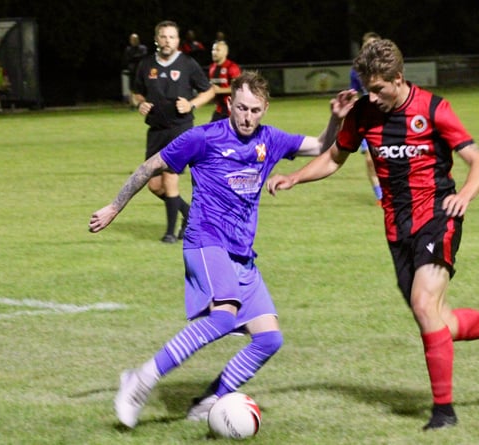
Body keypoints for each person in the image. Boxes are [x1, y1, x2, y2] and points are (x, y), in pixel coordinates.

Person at [266, 39, 479, 431]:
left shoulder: (433, 109)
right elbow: (332, 158)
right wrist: (294, 177)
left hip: (438, 215)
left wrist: (463, 195)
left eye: (378, 88)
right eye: (368, 88)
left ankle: (443, 413)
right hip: (398, 229)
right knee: (437, 320)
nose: (372, 96)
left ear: (399, 79)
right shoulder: (362, 113)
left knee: (424, 304)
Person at [88, 70, 357, 429]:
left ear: (265, 109)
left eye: (255, 110)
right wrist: (114, 207)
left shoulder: (271, 140)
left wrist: (335, 119)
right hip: (205, 240)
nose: (247, 117)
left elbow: (322, 145)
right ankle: (140, 380)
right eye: (241, 108)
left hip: (242, 253)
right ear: (229, 104)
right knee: (223, 316)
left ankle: (210, 400)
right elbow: (151, 166)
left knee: (269, 339)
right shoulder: (203, 138)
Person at [132, 20, 215, 243]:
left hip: (180, 129)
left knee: (170, 179)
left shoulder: (188, 64)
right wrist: (140, 103)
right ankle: (189, 214)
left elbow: (209, 91)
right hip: (156, 131)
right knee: (153, 184)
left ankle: (171, 233)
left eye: (172, 37)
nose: (167, 41)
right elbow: (136, 93)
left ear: (178, 41)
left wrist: (191, 105)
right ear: (157, 39)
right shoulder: (146, 64)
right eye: (163, 37)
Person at [350, 32, 383, 205]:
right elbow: (354, 93)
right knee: (370, 159)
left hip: (384, 116)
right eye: (368, 46)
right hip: (365, 118)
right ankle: (380, 196)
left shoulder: (387, 69)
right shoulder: (356, 71)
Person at [208, 40, 242, 121]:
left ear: (225, 52)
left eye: (217, 50)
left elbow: (238, 88)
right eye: (213, 50)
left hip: (232, 111)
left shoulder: (232, 67)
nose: (214, 52)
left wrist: (219, 90)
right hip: (219, 109)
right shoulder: (212, 68)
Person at [122, 33, 148, 106]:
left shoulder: (143, 48)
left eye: (135, 39)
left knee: (143, 86)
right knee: (132, 88)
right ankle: (132, 104)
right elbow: (127, 59)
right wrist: (136, 58)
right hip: (132, 71)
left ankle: (143, 102)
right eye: (132, 40)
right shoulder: (128, 49)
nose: (134, 41)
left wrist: (134, 58)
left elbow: (143, 56)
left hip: (142, 71)